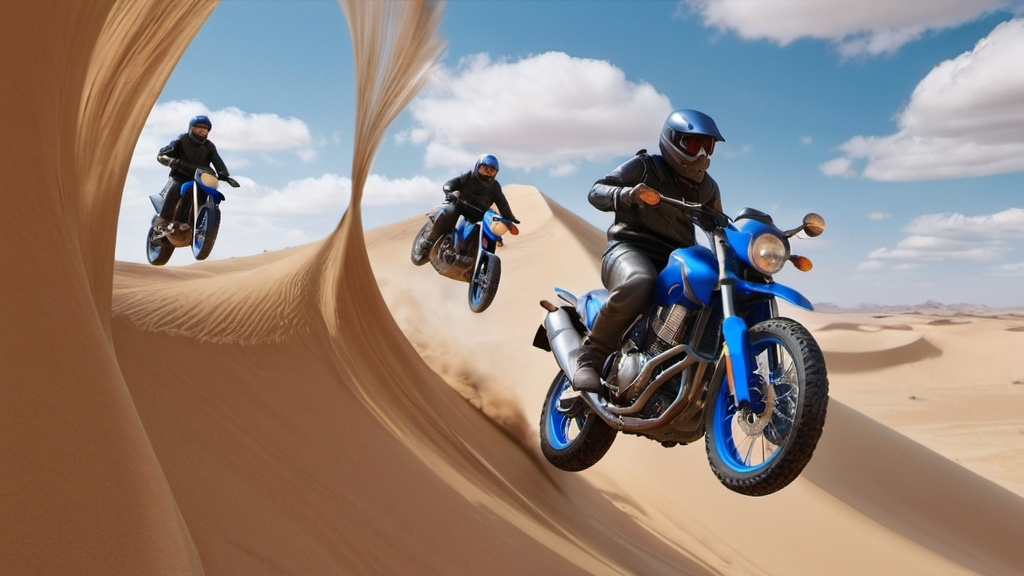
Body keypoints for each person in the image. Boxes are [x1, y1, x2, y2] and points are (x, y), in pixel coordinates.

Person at [574, 109, 725, 392]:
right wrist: (629, 195)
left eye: (708, 145)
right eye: (693, 144)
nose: (702, 153)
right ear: (672, 140)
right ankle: (590, 358)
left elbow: (720, 226)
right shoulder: (645, 166)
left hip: (675, 258)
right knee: (640, 282)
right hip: (628, 248)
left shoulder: (707, 188)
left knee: (712, 299)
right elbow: (596, 191)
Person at [411, 154, 519, 265]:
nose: (488, 171)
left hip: (478, 214)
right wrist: (450, 191)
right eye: (484, 168)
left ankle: (481, 260)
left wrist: (509, 217)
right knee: (447, 212)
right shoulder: (469, 176)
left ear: (496, 173)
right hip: (459, 205)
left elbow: (502, 202)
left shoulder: (495, 186)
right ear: (478, 167)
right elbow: (450, 184)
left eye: (492, 170)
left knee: (494, 223)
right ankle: (427, 242)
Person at [153, 115, 231, 231]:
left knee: (207, 193)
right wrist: (170, 161)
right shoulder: (181, 140)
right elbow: (162, 155)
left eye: (206, 128)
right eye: (199, 127)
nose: (203, 130)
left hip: (199, 177)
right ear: (191, 128)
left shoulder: (209, 146)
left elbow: (217, 160)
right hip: (180, 175)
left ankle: (199, 223)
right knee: (176, 188)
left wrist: (223, 173)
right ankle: (162, 221)